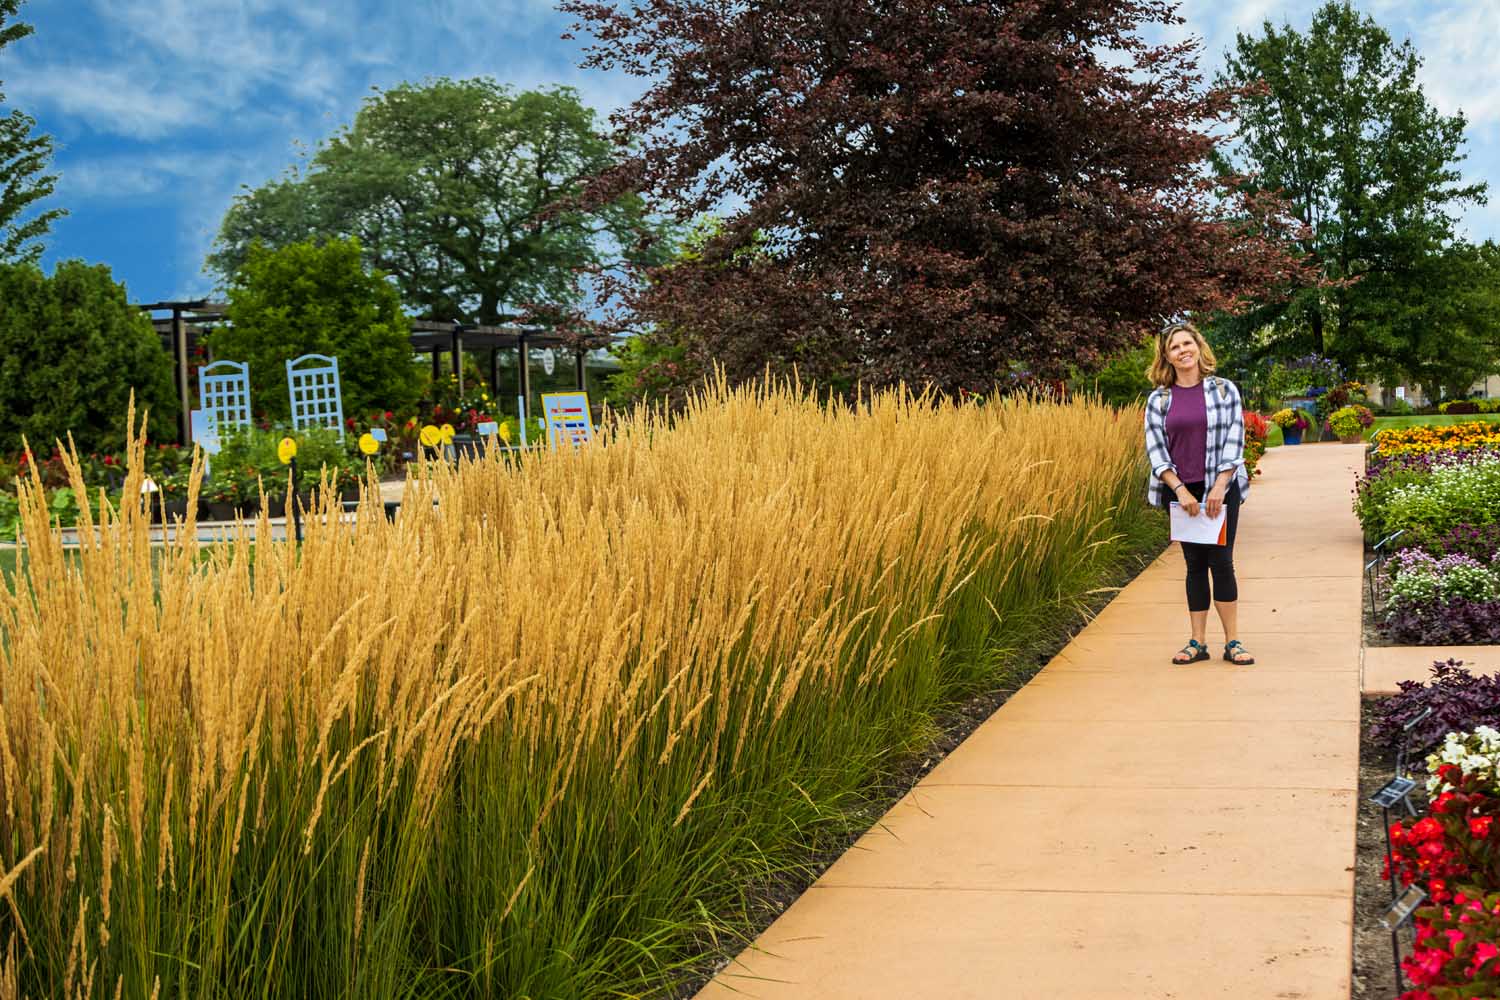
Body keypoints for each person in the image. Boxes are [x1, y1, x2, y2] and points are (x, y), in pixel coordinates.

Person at [1142, 322, 1255, 665]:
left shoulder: (1224, 390)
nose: (1182, 350)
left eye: (1187, 343)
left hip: (1222, 486)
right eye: (1174, 347)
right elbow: (1156, 450)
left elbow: (1235, 441)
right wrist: (1178, 489)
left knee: (1221, 562)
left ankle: (1233, 642)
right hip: (1181, 492)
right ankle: (1197, 642)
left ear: (1198, 347)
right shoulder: (1159, 400)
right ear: (1167, 357)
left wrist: (1220, 486)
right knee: (1194, 565)